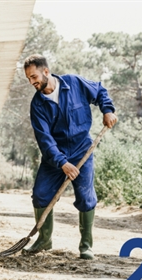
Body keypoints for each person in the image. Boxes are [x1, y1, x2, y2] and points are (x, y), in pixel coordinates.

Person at [22, 54, 117, 259]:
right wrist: (62, 163)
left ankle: (86, 245)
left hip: (82, 149)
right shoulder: (37, 105)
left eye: (34, 76)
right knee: (40, 194)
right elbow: (45, 140)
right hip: (54, 156)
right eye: (29, 79)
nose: (32, 82)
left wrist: (107, 110)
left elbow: (100, 90)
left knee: (85, 197)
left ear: (46, 71)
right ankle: (44, 240)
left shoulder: (74, 83)